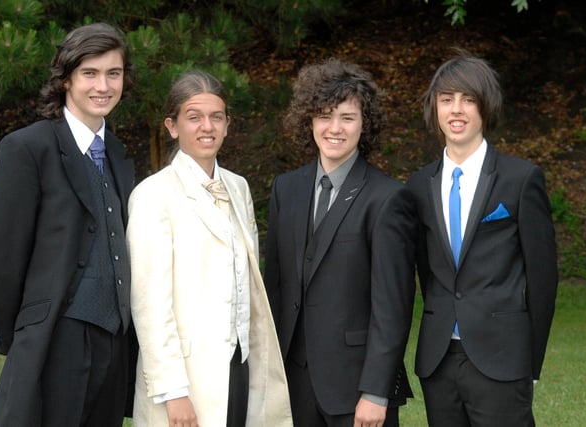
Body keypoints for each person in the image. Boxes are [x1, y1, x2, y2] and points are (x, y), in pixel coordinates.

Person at [0, 23, 136, 426]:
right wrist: (28, 335)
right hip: (56, 337)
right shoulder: (27, 148)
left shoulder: (117, 153)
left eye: (113, 74)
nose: (103, 85)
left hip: (114, 341)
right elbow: (0, 256)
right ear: (66, 78)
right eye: (90, 73)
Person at [126, 70, 292, 427]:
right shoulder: (153, 195)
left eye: (217, 117)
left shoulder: (238, 187)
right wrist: (172, 391)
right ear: (172, 127)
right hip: (186, 377)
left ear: (228, 125)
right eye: (194, 117)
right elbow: (149, 304)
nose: (207, 127)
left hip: (240, 365)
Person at [406, 49, 558, 426]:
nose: (456, 110)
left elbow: (543, 279)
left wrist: (529, 360)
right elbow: (428, 272)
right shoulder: (417, 186)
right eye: (446, 99)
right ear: (434, 109)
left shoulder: (520, 179)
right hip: (438, 361)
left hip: (503, 358)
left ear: (485, 107)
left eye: (468, 99)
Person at [264, 58, 417, 427]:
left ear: (364, 125)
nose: (335, 128)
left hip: (358, 389)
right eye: (324, 115)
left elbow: (393, 307)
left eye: (347, 117)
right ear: (309, 120)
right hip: (293, 383)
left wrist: (376, 392)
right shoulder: (287, 189)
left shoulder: (387, 198)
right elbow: (274, 287)